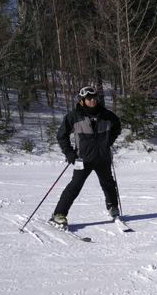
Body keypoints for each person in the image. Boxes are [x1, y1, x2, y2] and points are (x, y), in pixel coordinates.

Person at [50, 85, 122, 229]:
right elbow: (61, 135)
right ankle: (58, 215)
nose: (92, 100)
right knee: (74, 186)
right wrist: (69, 152)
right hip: (82, 159)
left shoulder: (106, 114)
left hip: (102, 158)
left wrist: (108, 141)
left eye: (94, 97)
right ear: (82, 100)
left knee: (108, 184)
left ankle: (113, 207)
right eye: (89, 98)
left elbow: (117, 126)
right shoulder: (74, 116)